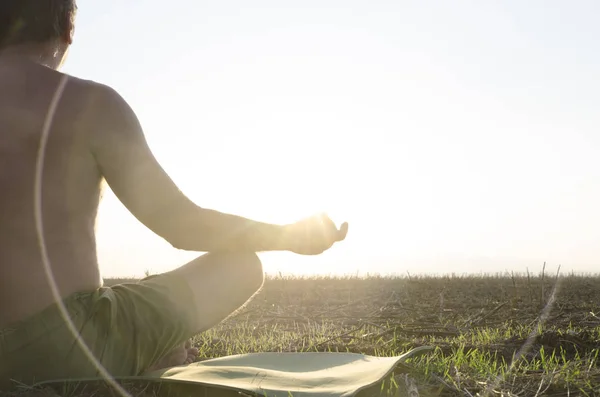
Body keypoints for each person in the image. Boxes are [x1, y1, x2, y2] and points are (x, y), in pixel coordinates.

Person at [0, 0, 348, 389]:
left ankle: (143, 347)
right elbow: (182, 226)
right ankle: (144, 350)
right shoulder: (90, 106)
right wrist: (289, 235)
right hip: (77, 344)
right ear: (68, 31)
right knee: (241, 266)